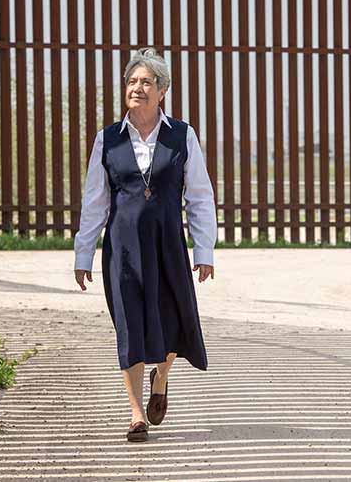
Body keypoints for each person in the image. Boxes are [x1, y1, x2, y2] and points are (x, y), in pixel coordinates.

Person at [73, 47, 217, 442]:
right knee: (130, 325)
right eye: (132, 82)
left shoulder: (182, 135)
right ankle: (136, 413)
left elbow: (200, 196)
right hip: (123, 249)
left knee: (173, 320)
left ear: (163, 90)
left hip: (168, 244)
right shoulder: (107, 139)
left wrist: (204, 250)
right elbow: (95, 201)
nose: (138, 88)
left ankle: (162, 376)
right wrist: (84, 252)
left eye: (146, 82)